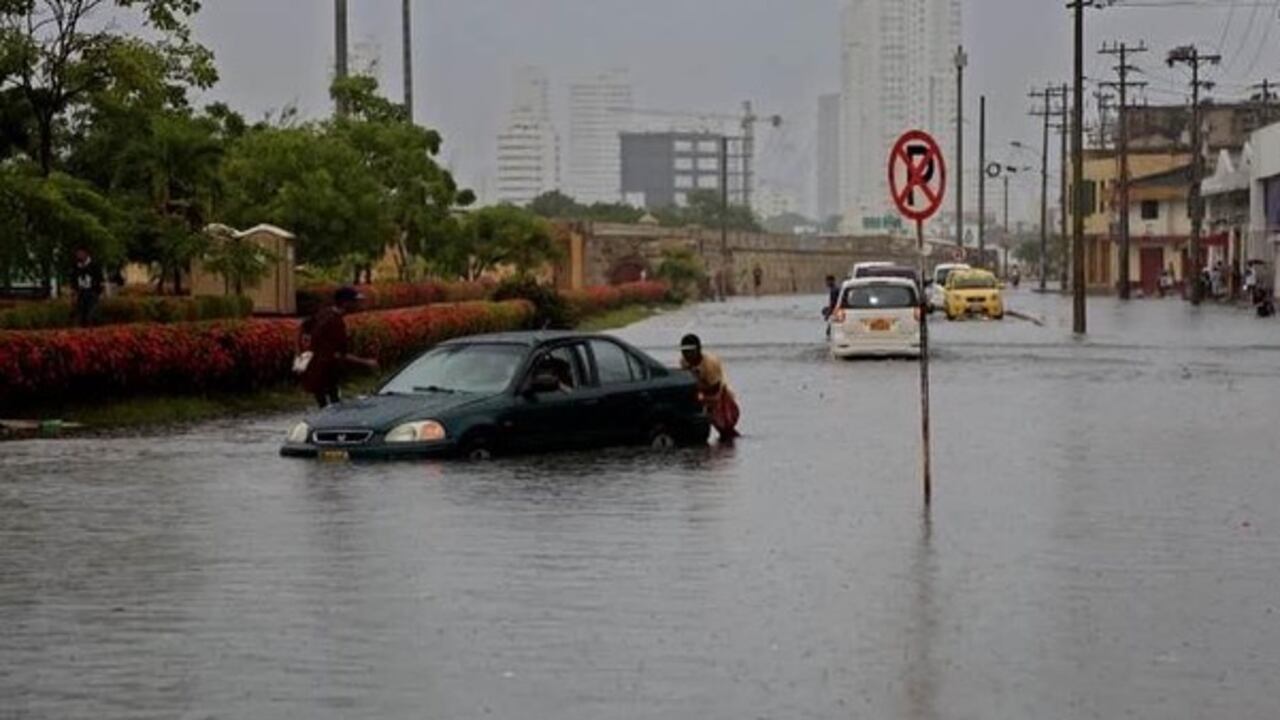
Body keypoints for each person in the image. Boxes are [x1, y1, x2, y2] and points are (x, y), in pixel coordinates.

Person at [298, 286, 379, 408]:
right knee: (331, 406)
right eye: (355, 301)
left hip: (316, 369)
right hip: (324, 370)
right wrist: (366, 362)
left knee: (327, 402)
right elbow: (337, 354)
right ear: (346, 303)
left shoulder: (324, 313)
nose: (357, 305)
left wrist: (300, 355)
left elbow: (302, 329)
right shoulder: (334, 322)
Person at [680, 334, 740, 440]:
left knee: (725, 429)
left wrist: (702, 398)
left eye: (691, 352)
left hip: (720, 395)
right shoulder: (684, 361)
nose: (687, 355)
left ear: (698, 350)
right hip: (701, 392)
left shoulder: (709, 363)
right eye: (684, 352)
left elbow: (715, 389)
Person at [71, 249, 103, 326]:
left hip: (92, 293)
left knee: (91, 315)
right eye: (77, 254)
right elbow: (73, 281)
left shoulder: (94, 266)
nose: (79, 255)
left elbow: (99, 280)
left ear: (86, 254)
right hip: (81, 294)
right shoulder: (76, 267)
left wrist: (98, 292)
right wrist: (74, 293)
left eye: (80, 253)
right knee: (80, 316)